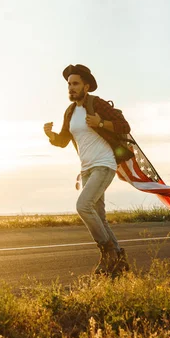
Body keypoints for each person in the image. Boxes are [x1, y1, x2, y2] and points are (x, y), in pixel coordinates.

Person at [43, 64, 132, 277]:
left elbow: (124, 126)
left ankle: (108, 252)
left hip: (104, 164)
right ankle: (118, 259)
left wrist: (101, 122)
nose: (71, 88)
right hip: (86, 170)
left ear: (86, 86)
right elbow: (64, 140)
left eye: (75, 84)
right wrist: (51, 135)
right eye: (68, 85)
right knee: (99, 218)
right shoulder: (70, 112)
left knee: (83, 206)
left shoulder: (97, 104)